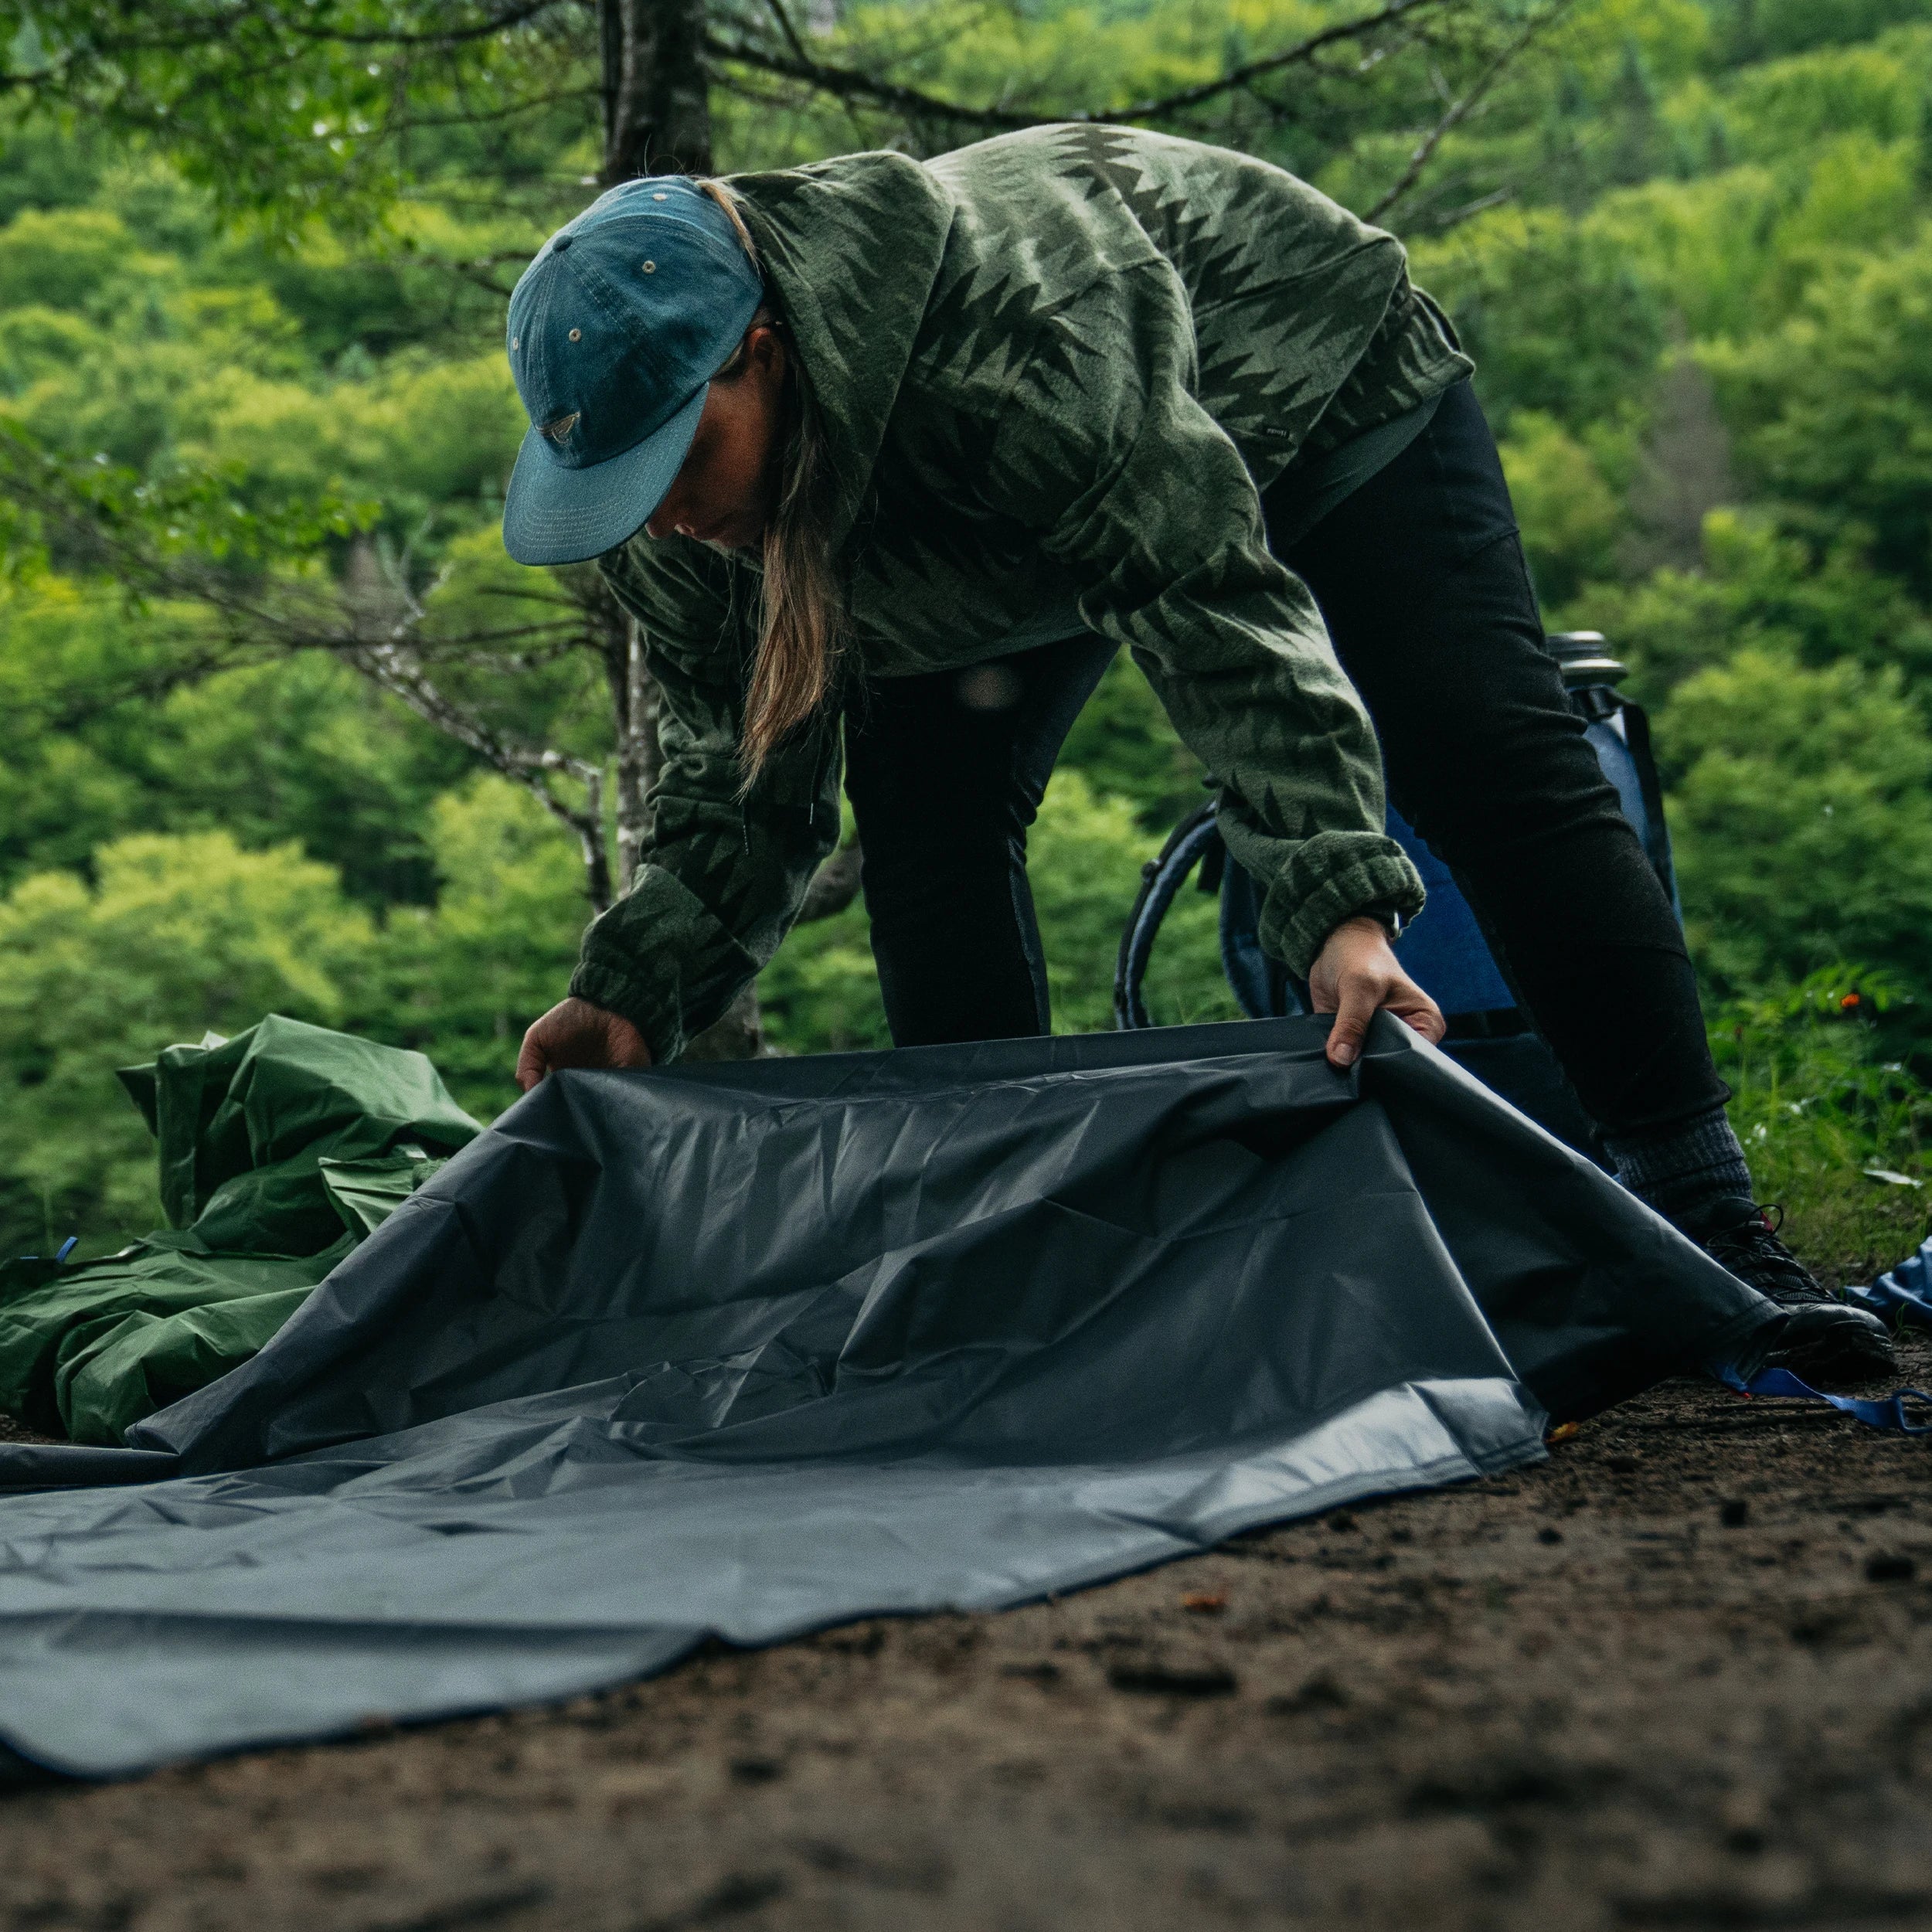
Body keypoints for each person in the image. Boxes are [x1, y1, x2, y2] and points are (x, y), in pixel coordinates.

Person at [498, 126, 1893, 1383]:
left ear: (759, 349)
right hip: (961, 510)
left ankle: (1711, 1229)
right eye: (616, 482)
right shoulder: (672, 527)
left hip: (1299, 385)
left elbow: (1208, 606)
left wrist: (1336, 906)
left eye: (678, 457)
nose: (661, 511)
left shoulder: (1019, 336)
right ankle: (1000, 1267)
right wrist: (637, 993)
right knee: (929, 826)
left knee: (1489, 755)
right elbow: (736, 788)